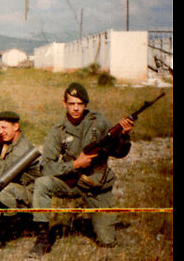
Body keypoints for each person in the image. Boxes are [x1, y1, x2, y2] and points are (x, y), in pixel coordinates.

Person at [28, 82, 134, 258]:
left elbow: (119, 152)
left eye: (80, 104)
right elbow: (46, 167)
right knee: (42, 183)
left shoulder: (98, 122)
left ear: (85, 105)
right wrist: (75, 165)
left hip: (97, 186)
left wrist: (123, 135)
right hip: (73, 182)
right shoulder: (58, 130)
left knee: (107, 241)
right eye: (71, 104)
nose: (76, 108)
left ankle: (96, 220)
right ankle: (43, 239)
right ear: (64, 104)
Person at [0, 111, 42, 244]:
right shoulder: (8, 143)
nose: (1, 132)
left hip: (33, 196)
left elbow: (3, 177)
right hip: (21, 190)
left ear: (16, 127)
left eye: (4, 128)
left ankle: (12, 227)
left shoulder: (22, 148)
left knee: (2, 190)